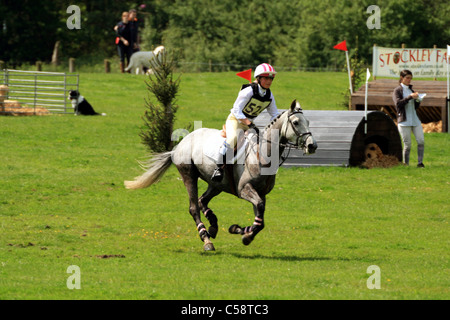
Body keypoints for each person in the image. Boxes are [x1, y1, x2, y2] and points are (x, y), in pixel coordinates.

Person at [211, 63, 279, 181]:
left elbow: (274, 115)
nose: (269, 81)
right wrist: (249, 123)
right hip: (235, 120)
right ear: (258, 78)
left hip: (248, 124)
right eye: (266, 78)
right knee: (232, 139)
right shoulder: (248, 91)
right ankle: (218, 168)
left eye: (271, 78)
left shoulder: (269, 95)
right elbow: (236, 110)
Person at [392, 69, 425, 167]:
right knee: (408, 145)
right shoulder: (397, 90)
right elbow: (398, 104)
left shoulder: (411, 90)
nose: (409, 80)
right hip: (404, 121)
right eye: (407, 78)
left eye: (410, 78)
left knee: (421, 141)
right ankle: (406, 164)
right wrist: (410, 97)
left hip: (415, 120)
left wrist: (418, 100)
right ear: (402, 78)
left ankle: (420, 163)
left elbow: (415, 107)